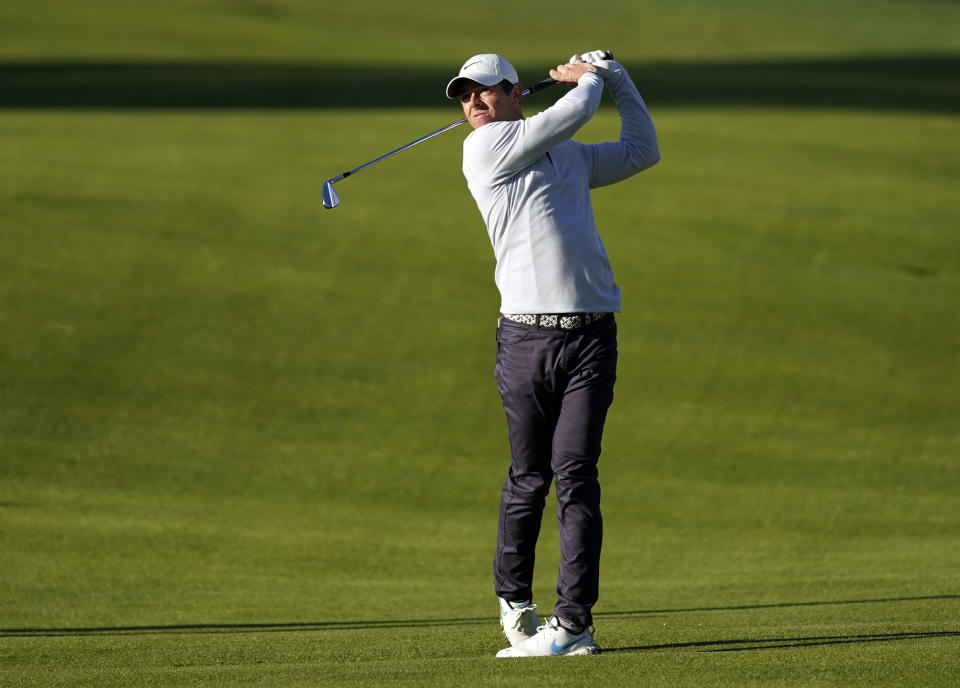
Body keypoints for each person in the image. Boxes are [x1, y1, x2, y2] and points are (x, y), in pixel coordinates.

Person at [444, 50, 660, 657]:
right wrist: (591, 77)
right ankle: (515, 599)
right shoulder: (484, 150)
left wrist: (618, 77)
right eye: (465, 97)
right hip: (524, 340)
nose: (473, 105)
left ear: (515, 90)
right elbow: (570, 114)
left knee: (577, 477)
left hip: (591, 336)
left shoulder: (562, 153)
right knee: (528, 477)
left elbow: (643, 150)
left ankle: (574, 626)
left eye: (483, 92)